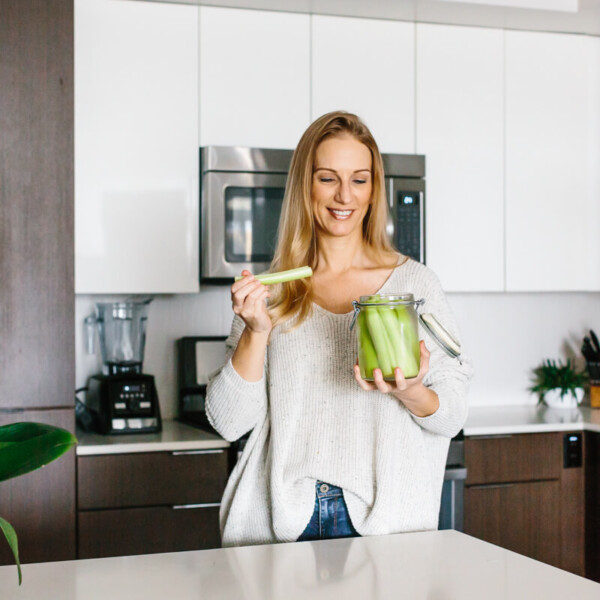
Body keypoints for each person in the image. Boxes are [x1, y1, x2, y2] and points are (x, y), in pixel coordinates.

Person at [206, 110, 473, 548]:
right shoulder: (273, 290)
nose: (344, 195)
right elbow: (229, 423)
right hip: (281, 522)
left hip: (386, 524)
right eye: (327, 178)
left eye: (359, 179)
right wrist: (256, 331)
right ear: (305, 186)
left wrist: (411, 391)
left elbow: (454, 413)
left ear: (373, 190)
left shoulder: (415, 285)